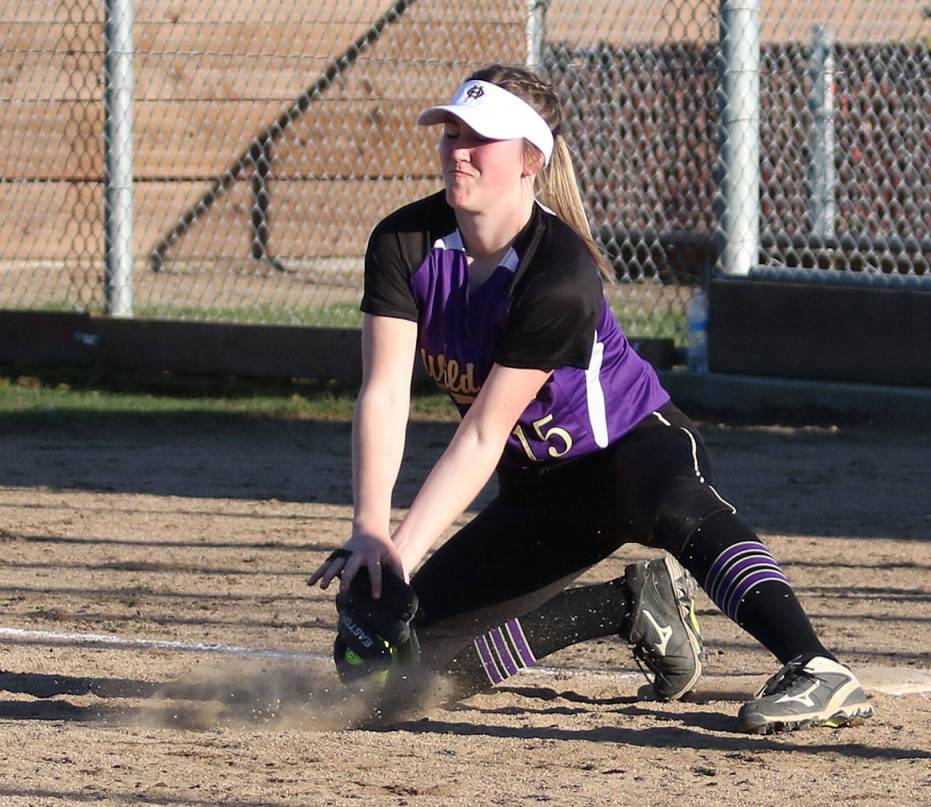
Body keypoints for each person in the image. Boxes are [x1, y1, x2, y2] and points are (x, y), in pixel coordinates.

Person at [308, 63, 874, 735]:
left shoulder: (559, 274)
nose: (458, 150)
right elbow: (384, 391)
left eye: (480, 138)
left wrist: (402, 549)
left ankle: (816, 665)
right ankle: (627, 606)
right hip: (543, 493)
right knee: (394, 684)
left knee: (675, 504)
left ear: (529, 160)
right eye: (451, 132)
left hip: (634, 451)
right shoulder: (404, 244)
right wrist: (372, 528)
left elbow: (485, 434)